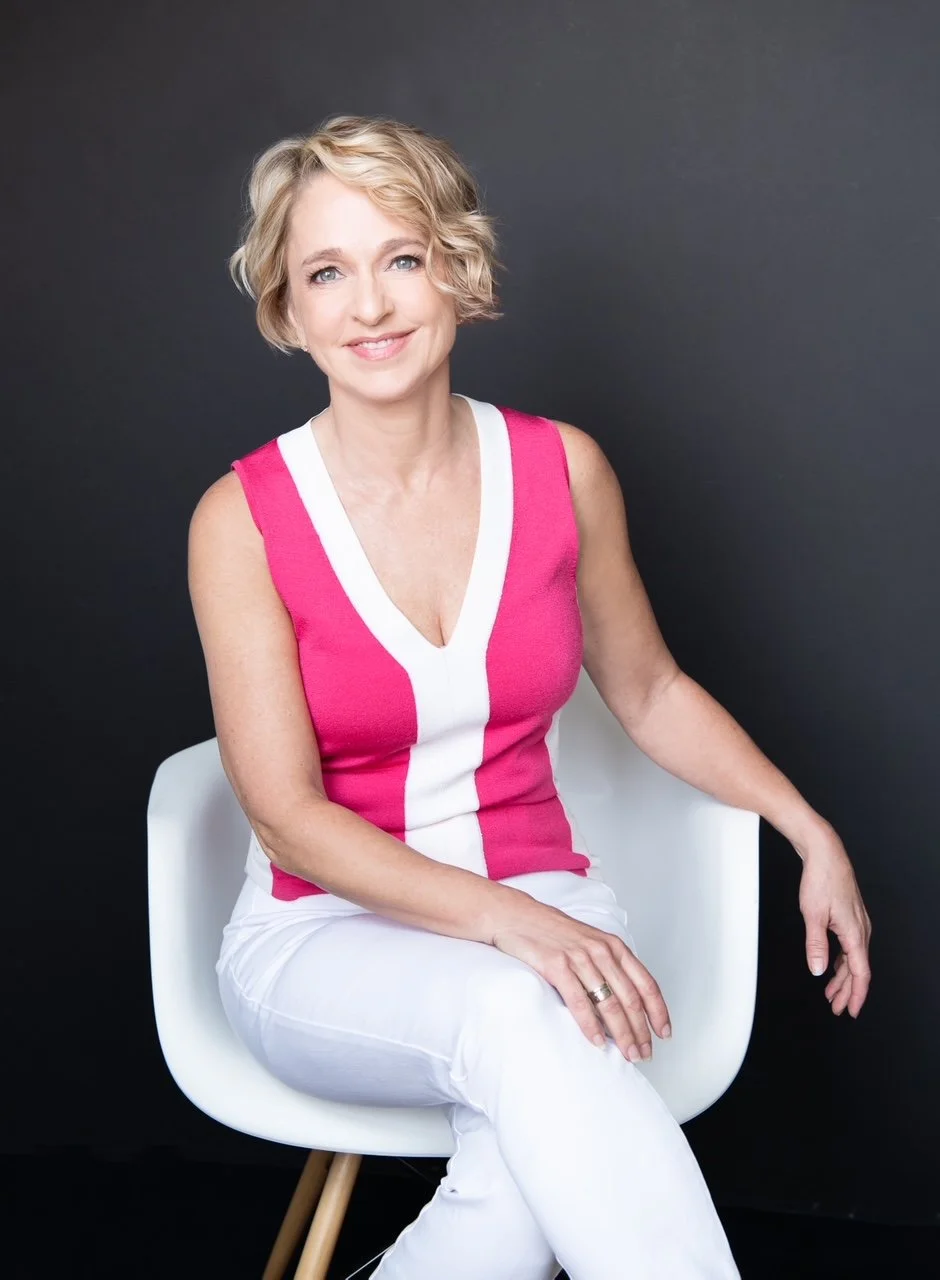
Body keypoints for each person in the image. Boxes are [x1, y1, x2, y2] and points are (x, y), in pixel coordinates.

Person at [188, 114, 872, 1280]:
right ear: (288, 313)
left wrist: (805, 827)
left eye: (401, 257)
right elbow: (286, 815)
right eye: (326, 273)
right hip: (321, 938)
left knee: (518, 1193)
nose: (370, 305)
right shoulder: (241, 518)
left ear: (456, 270)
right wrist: (512, 922)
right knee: (527, 1016)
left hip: (549, 907)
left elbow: (649, 690)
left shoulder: (563, 469)